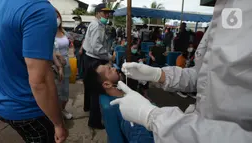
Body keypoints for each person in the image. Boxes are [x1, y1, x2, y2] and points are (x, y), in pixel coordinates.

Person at [110, 1, 252, 142]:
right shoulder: (222, 12)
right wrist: (159, 75)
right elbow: (203, 75)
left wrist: (153, 117)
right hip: (197, 120)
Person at [0, 1, 68, 143]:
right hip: (28, 107)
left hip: (2, 102)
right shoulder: (38, 9)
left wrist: (50, 55)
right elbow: (40, 82)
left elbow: (12, 42)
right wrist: (58, 123)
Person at [85, 63, 154, 143]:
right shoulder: (111, 107)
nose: (114, 68)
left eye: (111, 67)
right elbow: (115, 137)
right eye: (110, 70)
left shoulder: (120, 92)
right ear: (107, 84)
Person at [82, 3, 114, 129]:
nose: (107, 15)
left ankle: (87, 107)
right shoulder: (97, 26)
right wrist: (109, 57)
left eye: (108, 13)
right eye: (104, 12)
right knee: (96, 90)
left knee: (89, 86)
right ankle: (94, 121)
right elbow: (97, 47)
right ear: (98, 13)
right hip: (94, 59)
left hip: (89, 57)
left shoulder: (97, 24)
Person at [54, 9, 72, 120]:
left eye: (57, 16)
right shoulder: (47, 33)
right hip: (54, 65)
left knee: (65, 90)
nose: (56, 19)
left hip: (66, 63)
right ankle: (56, 114)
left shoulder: (64, 32)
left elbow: (69, 44)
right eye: (53, 17)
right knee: (56, 90)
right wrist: (57, 56)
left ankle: (63, 109)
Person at [73, 15, 87, 80]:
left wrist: (81, 48)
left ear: (80, 20)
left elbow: (84, 38)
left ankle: (81, 75)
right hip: (76, 47)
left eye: (77, 20)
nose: (76, 21)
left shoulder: (83, 27)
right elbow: (74, 38)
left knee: (80, 61)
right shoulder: (76, 27)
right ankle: (79, 74)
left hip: (80, 47)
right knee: (78, 61)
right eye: (75, 20)